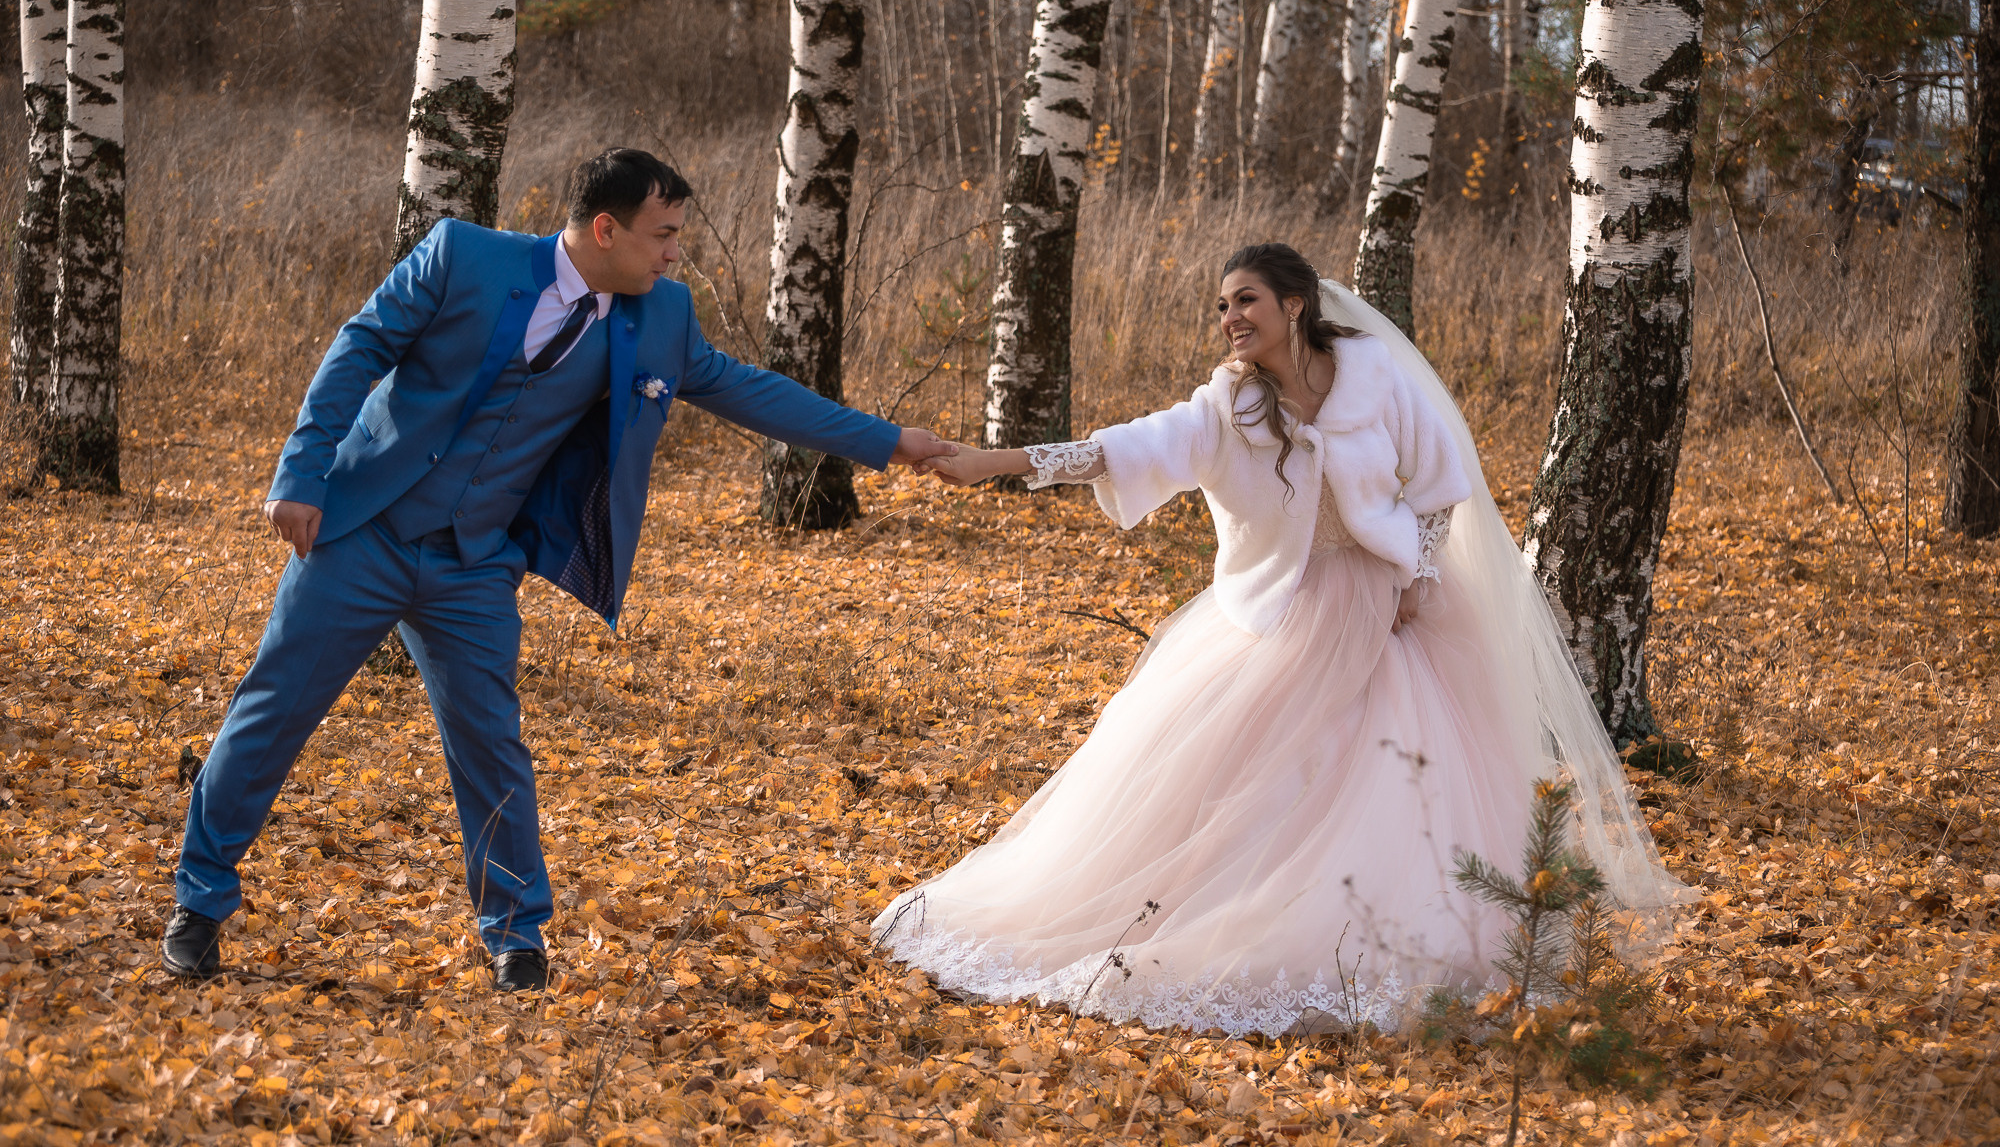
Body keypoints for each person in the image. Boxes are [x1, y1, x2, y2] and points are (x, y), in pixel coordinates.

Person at [165, 148, 956, 991]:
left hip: (475, 561)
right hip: (366, 530)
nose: (674, 255)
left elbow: (752, 390)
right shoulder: (462, 256)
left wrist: (888, 441)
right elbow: (358, 349)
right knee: (274, 710)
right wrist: (300, 472)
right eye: (663, 236)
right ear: (606, 229)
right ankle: (199, 901)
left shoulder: (661, 318)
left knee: (491, 746)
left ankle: (516, 936)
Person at [875, 242, 1690, 1036]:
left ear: (1294, 304)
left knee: (1400, 778)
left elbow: (1442, 489)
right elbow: (1125, 447)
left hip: (1394, 605)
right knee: (1258, 773)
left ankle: (1402, 950)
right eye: (1222, 305)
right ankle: (1235, 928)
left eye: (1246, 300)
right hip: (1288, 613)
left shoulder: (1375, 378)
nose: (1230, 316)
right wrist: (995, 462)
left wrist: (1419, 576)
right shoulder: (1228, 404)